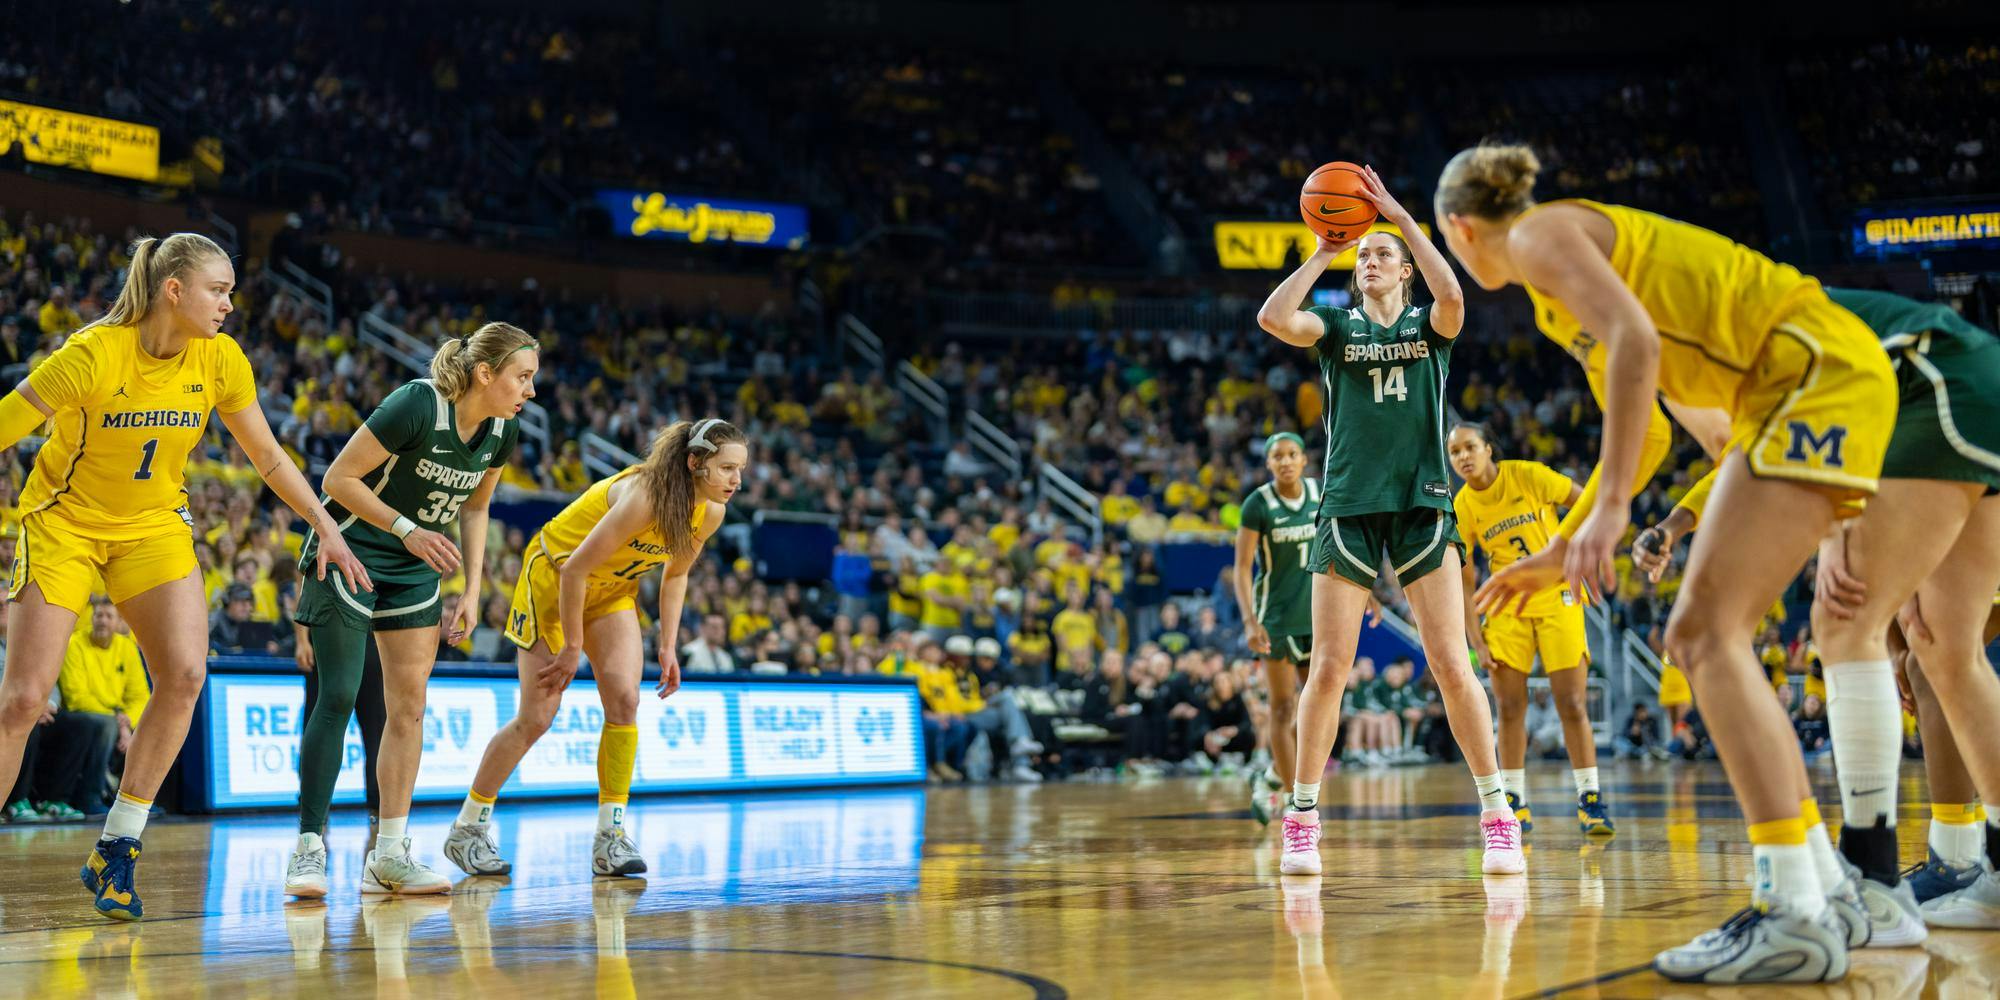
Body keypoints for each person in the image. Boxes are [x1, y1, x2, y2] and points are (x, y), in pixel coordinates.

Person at [1436, 145, 1899, 981]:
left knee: (1701, 636)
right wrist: (1560, 545)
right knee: (1708, 635)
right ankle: (1823, 888)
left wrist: (1609, 511)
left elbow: (1637, 342)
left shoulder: (1541, 236)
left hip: (1813, 370)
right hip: (1792, 386)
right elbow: (1649, 426)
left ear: (1461, 229)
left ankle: (1790, 908)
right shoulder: (1552, 301)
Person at [0, 233, 368, 920]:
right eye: (218, 290)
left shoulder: (220, 359)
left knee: (186, 673)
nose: (230, 304)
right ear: (174, 290)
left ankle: (116, 847)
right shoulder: (92, 353)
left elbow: (266, 455)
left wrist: (324, 522)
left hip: (152, 527)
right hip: (63, 525)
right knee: (23, 701)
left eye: (230, 291)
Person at [1631, 286, 2000, 933]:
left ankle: (1868, 880)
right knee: (1934, 643)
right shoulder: (1736, 322)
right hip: (1965, 394)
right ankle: (1969, 856)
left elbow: (1764, 446)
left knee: (1857, 622)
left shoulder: (1707, 341)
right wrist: (1674, 523)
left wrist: (1834, 533)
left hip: (1945, 396)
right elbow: (1744, 452)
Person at [1256, 165, 1522, 877]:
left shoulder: (1430, 325)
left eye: (1382, 256)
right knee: (1330, 670)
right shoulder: (1336, 327)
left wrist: (1401, 220)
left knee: (1449, 663)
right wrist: (1324, 247)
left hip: (1422, 502)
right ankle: (1303, 816)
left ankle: (1497, 812)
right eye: (1363, 255)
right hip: (1345, 505)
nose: (1369, 262)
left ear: (1403, 271)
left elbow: (1456, 294)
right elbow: (1275, 319)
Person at [285, 322, 535, 898]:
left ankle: (388, 855)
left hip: (416, 567)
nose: (529, 390)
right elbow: (337, 479)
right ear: (485, 374)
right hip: (348, 548)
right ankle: (308, 847)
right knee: (341, 694)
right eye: (522, 377)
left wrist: (473, 590)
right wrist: (407, 528)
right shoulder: (417, 403)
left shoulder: (503, 431)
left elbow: (476, 509)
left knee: (409, 709)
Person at [445, 419, 744, 878]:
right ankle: (467, 828)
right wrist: (572, 649)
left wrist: (668, 645)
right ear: (694, 463)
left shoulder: (711, 512)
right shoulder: (643, 496)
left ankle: (611, 837)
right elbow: (574, 571)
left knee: (626, 699)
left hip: (612, 589)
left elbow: (676, 574)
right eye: (726, 468)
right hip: (554, 577)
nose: (735, 480)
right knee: (537, 717)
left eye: (739, 469)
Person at [1447, 422, 1611, 836]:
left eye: (1470, 447)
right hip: (1507, 604)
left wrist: (1581, 554)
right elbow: (1465, 580)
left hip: (1558, 594)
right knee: (1509, 708)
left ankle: (1590, 798)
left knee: (1572, 703)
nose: (1463, 457)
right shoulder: (1462, 505)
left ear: (1489, 448)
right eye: (1455, 453)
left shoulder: (1529, 474)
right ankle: (1513, 800)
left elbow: (1589, 502)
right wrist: (1475, 638)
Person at [1233, 431, 1320, 825]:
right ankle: (1292, 802)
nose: (1285, 462)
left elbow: (1340, 546)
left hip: (1319, 616)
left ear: (1304, 460)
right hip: (1277, 619)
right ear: (1268, 464)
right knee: (1283, 709)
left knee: (1319, 709)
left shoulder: (1321, 494)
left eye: (1292, 454)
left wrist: (1364, 592)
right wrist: (1250, 621)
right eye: (1277, 457)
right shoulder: (1258, 504)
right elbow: (1240, 568)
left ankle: (1271, 776)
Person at [46, 598, 150, 818]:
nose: (102, 621)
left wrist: (127, 720)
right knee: (105, 726)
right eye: (98, 615)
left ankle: (139, 800)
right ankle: (89, 797)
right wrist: (118, 720)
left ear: (120, 622)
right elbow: (76, 697)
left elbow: (141, 696)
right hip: (77, 715)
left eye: (109, 616)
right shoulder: (75, 644)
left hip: (117, 717)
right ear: (91, 618)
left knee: (155, 727)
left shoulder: (128, 647)